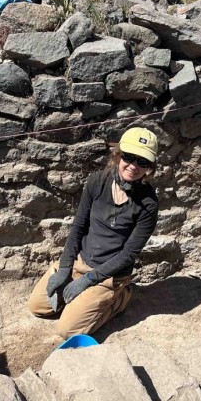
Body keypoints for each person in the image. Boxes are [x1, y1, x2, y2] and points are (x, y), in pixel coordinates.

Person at [27, 127, 160, 339]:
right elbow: (78, 226)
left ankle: (120, 297)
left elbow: (128, 254)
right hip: (82, 261)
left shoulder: (148, 204)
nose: (133, 166)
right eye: (129, 157)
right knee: (38, 307)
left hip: (109, 274)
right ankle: (78, 295)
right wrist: (64, 269)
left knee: (67, 330)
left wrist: (88, 280)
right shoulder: (98, 181)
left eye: (142, 162)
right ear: (118, 155)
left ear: (149, 168)